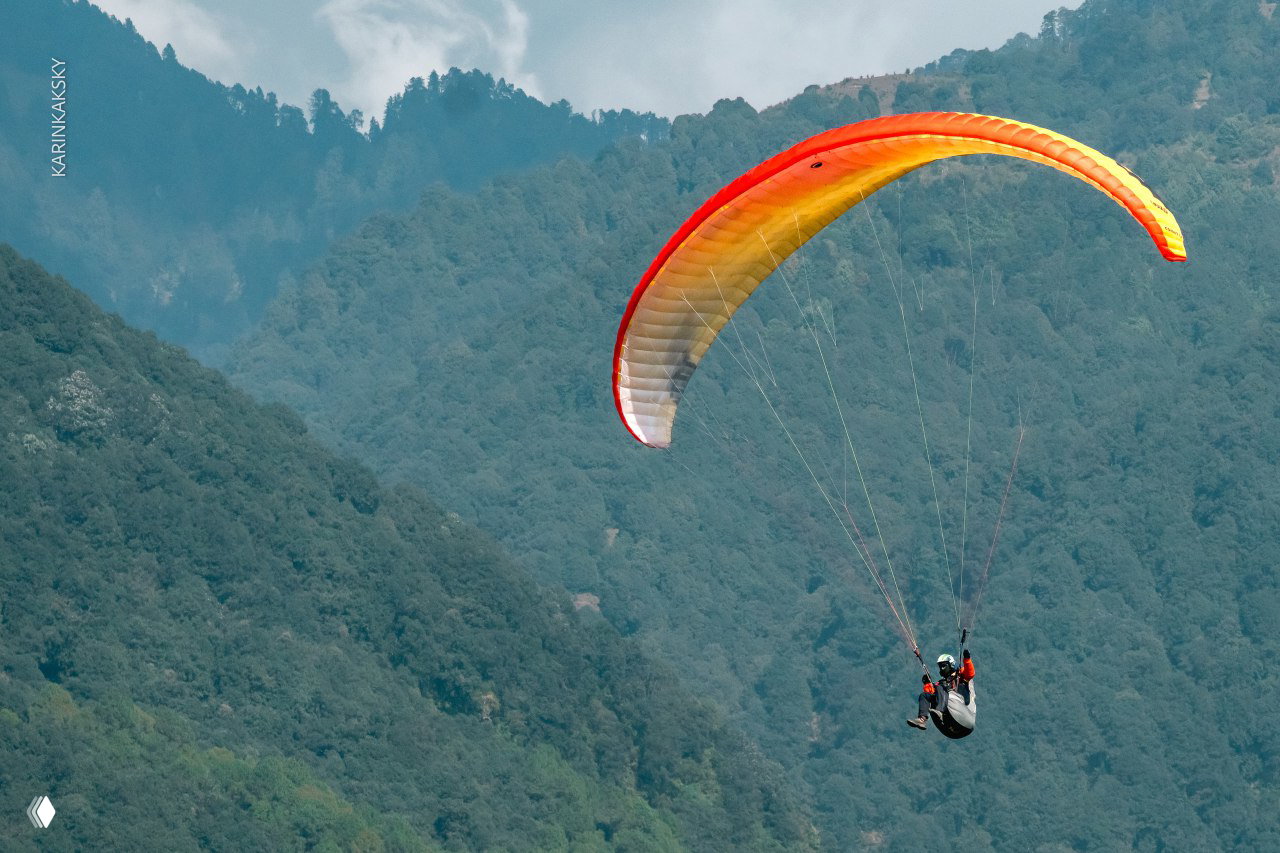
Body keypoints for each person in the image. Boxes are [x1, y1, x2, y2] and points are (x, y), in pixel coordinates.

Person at [907, 649, 974, 730]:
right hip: (951, 713)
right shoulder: (941, 683)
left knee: (940, 687)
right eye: (940, 667)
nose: (941, 668)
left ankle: (940, 711)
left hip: (961, 705)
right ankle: (922, 719)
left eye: (943, 666)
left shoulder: (961, 675)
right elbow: (931, 692)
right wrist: (927, 684)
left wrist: (967, 659)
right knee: (925, 695)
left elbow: (970, 673)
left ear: (951, 665)